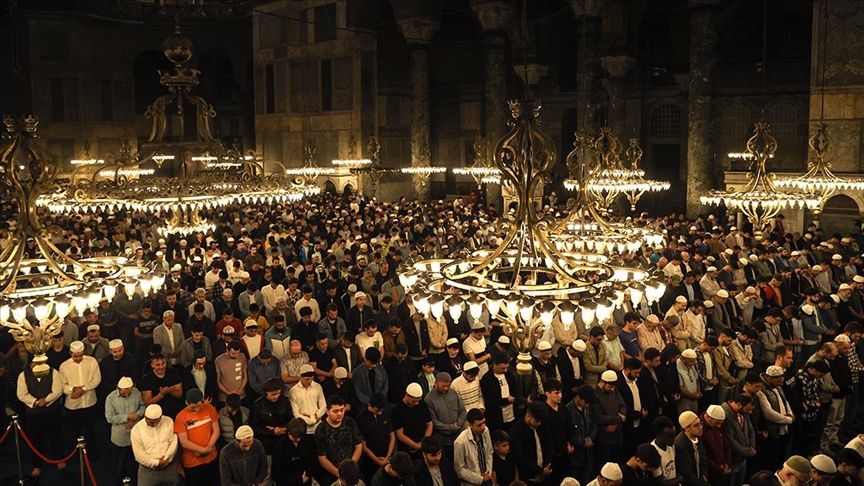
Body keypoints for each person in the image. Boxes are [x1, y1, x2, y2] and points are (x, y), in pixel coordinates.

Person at [17, 357, 64, 477]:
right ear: (30, 364)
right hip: (33, 413)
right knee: (35, 439)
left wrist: (46, 400)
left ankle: (59, 458)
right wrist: (35, 402)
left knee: (55, 436)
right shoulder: (23, 375)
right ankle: (37, 465)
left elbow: (58, 390)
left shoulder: (54, 372)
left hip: (51, 411)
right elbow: (21, 394)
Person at [59, 340, 102, 455]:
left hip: (89, 402)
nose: (78, 358)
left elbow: (97, 379)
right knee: (73, 432)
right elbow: (62, 385)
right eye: (75, 356)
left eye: (80, 355)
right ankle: (75, 455)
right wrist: (73, 389)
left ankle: (91, 453)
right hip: (72, 405)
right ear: (70, 353)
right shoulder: (64, 366)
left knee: (90, 431)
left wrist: (82, 389)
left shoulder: (91, 361)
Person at [315, 395, 364, 485]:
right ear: (327, 411)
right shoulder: (321, 429)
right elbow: (322, 458)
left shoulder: (349, 422)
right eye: (335, 411)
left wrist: (350, 467)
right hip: (332, 474)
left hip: (352, 471)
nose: (340, 414)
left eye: (342, 410)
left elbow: (358, 445)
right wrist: (340, 474)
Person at [175, 387, 221, 485]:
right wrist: (202, 450)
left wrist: (209, 446)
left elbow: (216, 430)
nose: (196, 409)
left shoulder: (209, 408)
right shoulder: (181, 417)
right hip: (193, 462)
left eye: (198, 406)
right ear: (186, 403)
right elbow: (184, 442)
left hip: (211, 457)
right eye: (193, 407)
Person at [104, 376, 146, 483]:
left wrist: (136, 415)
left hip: (136, 434)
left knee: (137, 463)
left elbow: (143, 406)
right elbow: (109, 418)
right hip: (120, 436)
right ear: (119, 388)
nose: (127, 394)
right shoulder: (110, 398)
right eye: (124, 392)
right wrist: (127, 417)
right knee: (119, 465)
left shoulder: (136, 393)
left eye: (129, 391)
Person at [131, 404, 180, 486]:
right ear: (145, 417)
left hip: (169, 468)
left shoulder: (168, 421)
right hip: (148, 472)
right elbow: (139, 454)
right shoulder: (137, 429)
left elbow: (173, 442)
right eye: (151, 421)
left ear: (161, 417)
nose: (154, 424)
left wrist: (166, 458)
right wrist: (156, 463)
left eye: (156, 421)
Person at [509, 401, 553, 483]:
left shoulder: (541, 424)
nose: (539, 423)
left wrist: (545, 468)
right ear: (528, 416)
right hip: (528, 476)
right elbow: (520, 458)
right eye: (536, 421)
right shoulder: (516, 431)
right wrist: (540, 471)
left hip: (545, 471)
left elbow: (549, 445)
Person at [425, 371, 466, 453]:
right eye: (443, 386)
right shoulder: (429, 399)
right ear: (436, 383)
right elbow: (433, 422)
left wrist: (459, 424)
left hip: (459, 436)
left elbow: (462, 410)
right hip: (442, 440)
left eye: (448, 386)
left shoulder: (453, 393)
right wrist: (451, 428)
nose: (446, 388)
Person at [453, 408, 493, 486]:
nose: (483, 427)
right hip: (472, 483)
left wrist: (488, 472)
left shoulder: (485, 431)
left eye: (484, 423)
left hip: (487, 479)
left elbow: (489, 452)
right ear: (470, 425)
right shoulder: (460, 442)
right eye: (479, 425)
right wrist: (480, 479)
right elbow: (459, 470)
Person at [271, 418, 318, 486]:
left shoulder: (307, 441)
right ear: (289, 432)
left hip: (305, 481)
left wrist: (308, 474)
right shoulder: (280, 447)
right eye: (295, 437)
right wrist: (298, 480)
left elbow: (314, 462)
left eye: (300, 437)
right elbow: (277, 474)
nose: (298, 440)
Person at [567, 384, 597, 486]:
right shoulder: (568, 410)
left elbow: (594, 423)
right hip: (576, 455)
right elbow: (568, 434)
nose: (588, 405)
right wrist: (583, 442)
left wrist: (591, 438)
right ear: (578, 398)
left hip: (589, 454)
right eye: (586, 402)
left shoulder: (589, 407)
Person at [393, 382, 434, 454]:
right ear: (406, 395)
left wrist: (424, 442)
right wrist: (416, 446)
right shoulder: (397, 410)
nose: (416, 403)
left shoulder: (422, 404)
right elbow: (400, 434)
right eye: (414, 401)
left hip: (423, 446)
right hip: (407, 448)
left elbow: (429, 423)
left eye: (418, 401)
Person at [674, 411, 710, 486]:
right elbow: (686, 473)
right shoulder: (680, 444)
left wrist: (704, 477)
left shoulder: (698, 437)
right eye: (696, 425)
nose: (700, 427)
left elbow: (703, 461)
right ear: (687, 428)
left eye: (701, 423)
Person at [290, 364, 327, 434]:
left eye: (311, 379)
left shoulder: (317, 387)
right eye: (307, 379)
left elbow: (323, 405)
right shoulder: (294, 391)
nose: (309, 381)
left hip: (318, 427)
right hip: (303, 428)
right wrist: (311, 421)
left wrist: (317, 416)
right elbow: (296, 413)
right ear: (301, 377)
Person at [702, 404, 732, 486]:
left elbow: (726, 444)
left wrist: (727, 463)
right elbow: (703, 454)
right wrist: (718, 469)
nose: (719, 426)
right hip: (711, 473)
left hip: (723, 469)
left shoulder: (717, 426)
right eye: (717, 423)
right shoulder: (700, 428)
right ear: (708, 417)